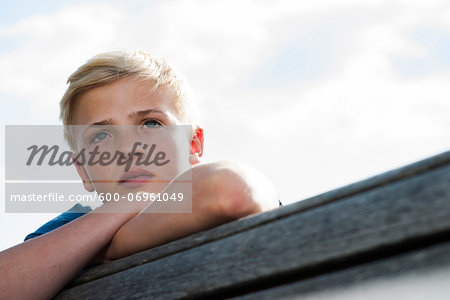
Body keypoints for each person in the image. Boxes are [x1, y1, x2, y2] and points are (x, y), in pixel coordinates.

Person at [0, 50, 279, 299]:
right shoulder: (70, 227)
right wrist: (125, 208)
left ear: (193, 144)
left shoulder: (76, 241)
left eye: (151, 123)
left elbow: (231, 191)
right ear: (83, 171)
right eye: (101, 135)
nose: (128, 149)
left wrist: (102, 246)